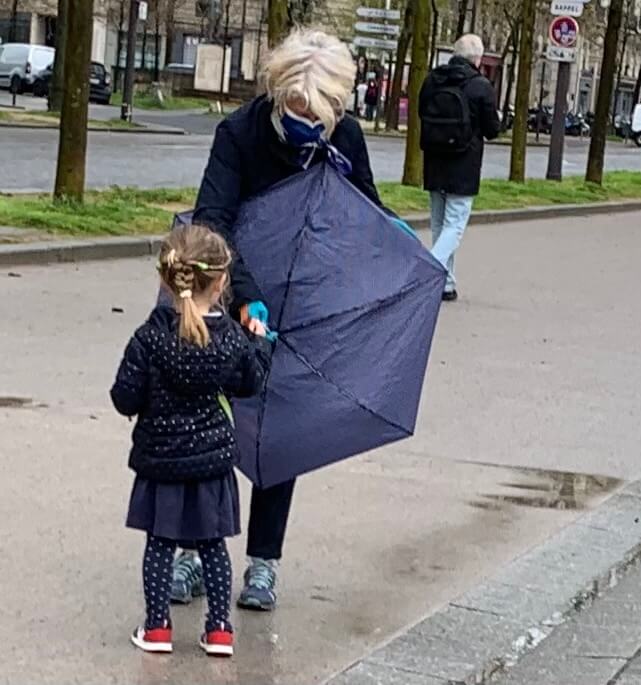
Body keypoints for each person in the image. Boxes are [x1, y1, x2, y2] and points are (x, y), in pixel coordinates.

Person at [182, 28, 394, 611]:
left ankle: (263, 564)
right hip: (229, 291)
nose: (306, 121)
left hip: (302, 303)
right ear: (278, 94)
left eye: (317, 114)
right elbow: (212, 222)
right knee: (210, 427)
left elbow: (365, 209)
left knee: (280, 433)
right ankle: (193, 550)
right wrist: (241, 295)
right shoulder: (240, 133)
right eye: (296, 110)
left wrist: (392, 239)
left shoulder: (343, 135)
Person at [112, 225, 271, 656]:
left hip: (160, 458)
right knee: (212, 544)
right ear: (221, 283)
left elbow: (123, 395)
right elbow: (249, 383)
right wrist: (259, 343)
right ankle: (219, 630)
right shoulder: (233, 341)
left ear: (167, 278)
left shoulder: (149, 337)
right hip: (211, 461)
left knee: (160, 543)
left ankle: (158, 627)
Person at [419, 34, 499, 302]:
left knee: (440, 225)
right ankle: (427, 269)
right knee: (455, 226)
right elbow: (492, 130)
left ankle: (446, 284)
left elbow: (421, 112)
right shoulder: (481, 86)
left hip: (433, 159)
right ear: (477, 58)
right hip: (464, 163)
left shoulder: (432, 80)